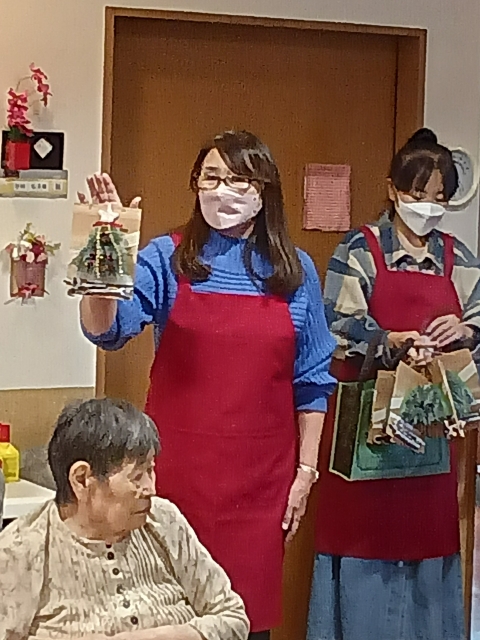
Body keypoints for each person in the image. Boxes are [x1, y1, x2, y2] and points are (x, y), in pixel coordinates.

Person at [80, 130, 336, 639]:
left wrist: (305, 473)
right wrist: (105, 253)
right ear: (195, 184)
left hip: (261, 483)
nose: (223, 191)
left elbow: (312, 382)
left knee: (246, 618)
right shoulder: (167, 257)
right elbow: (105, 330)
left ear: (265, 191)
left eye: (239, 180)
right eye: (211, 177)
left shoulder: (295, 270)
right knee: (171, 612)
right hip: (176, 476)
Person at [307, 128, 480, 640]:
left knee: (428, 546)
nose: (427, 208)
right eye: (417, 194)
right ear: (392, 189)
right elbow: (334, 328)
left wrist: (465, 331)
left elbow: (479, 322)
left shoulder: (458, 257)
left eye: (439, 199)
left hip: (431, 439)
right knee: (363, 547)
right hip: (367, 435)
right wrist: (390, 341)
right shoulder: (359, 249)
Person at [0, 397, 249, 640]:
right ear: (82, 479)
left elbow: (233, 617)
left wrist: (165, 635)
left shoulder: (164, 520)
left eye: (151, 470)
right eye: (137, 476)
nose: (151, 488)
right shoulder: (21, 550)